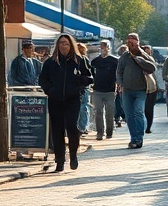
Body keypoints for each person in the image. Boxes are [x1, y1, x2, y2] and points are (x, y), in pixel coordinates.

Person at [38, 33, 93, 172]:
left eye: (67, 44)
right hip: (55, 99)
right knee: (57, 130)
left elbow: (90, 77)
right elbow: (42, 79)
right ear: (57, 45)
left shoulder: (79, 60)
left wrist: (78, 82)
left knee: (71, 127)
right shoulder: (50, 62)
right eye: (61, 43)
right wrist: (50, 90)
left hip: (72, 99)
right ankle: (60, 161)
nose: (64, 46)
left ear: (71, 46)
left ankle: (73, 155)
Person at [117, 32, 156, 149]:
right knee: (129, 115)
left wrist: (139, 58)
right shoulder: (125, 56)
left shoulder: (143, 55)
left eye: (133, 40)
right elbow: (119, 71)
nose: (131, 43)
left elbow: (152, 67)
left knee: (138, 111)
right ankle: (133, 138)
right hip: (127, 90)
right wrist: (120, 84)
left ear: (138, 42)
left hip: (141, 90)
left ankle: (139, 138)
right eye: (129, 41)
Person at [90, 40, 118, 139]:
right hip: (97, 90)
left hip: (110, 90)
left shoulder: (114, 61)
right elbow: (91, 72)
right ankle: (100, 132)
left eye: (105, 46)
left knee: (109, 112)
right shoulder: (95, 61)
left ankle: (109, 132)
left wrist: (117, 85)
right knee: (98, 111)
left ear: (108, 48)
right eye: (101, 46)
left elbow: (118, 74)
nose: (103, 48)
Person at [76, 42, 92, 134]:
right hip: (82, 87)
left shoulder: (83, 59)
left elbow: (88, 73)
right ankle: (81, 127)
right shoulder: (80, 59)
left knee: (83, 107)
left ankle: (82, 127)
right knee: (83, 108)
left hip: (83, 87)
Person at [142, 44, 158, 133]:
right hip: (141, 88)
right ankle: (143, 126)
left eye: (149, 52)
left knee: (149, 109)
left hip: (151, 88)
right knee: (142, 109)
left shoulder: (151, 61)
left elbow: (154, 74)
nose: (148, 53)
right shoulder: (139, 60)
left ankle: (148, 127)